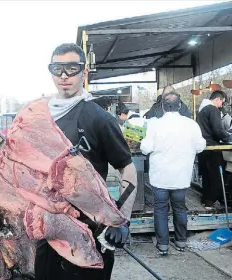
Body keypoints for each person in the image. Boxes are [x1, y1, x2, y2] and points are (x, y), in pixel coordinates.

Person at [35, 43, 138, 280]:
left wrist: (121, 220)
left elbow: (128, 167)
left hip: (88, 231)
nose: (64, 75)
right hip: (50, 229)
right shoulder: (43, 116)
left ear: (84, 72)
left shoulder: (98, 118)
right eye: (57, 68)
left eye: (72, 68)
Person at [140, 92, 206, 255]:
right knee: (180, 208)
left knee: (161, 209)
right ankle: (181, 242)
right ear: (180, 106)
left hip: (160, 177)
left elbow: (145, 148)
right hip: (181, 177)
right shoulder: (191, 125)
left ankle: (163, 245)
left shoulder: (155, 125)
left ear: (162, 106)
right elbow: (200, 146)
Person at [197, 90, 231, 208]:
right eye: (222, 102)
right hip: (212, 148)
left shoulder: (202, 111)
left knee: (206, 176)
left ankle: (206, 200)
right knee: (216, 177)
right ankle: (211, 201)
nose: (221, 105)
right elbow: (218, 130)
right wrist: (228, 137)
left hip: (203, 148)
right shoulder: (213, 110)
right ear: (217, 99)